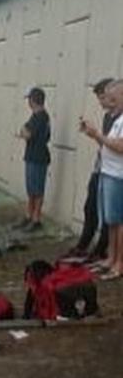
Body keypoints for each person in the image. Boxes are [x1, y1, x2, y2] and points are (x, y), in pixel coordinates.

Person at [67, 78, 117, 260]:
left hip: (112, 172)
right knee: (90, 208)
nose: (102, 103)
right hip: (101, 167)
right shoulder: (107, 117)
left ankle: (101, 250)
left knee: (108, 215)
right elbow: (104, 145)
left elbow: (116, 146)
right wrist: (93, 134)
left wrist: (97, 134)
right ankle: (84, 244)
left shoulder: (119, 118)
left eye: (103, 98)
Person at [82, 80, 123, 280]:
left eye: (114, 99)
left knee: (119, 222)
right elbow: (108, 145)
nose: (110, 102)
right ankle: (110, 257)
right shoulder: (115, 120)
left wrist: (98, 134)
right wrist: (94, 135)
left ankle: (119, 263)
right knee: (112, 221)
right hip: (108, 173)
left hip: (118, 176)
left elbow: (121, 146)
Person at [15, 87, 51, 231]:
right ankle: (29, 215)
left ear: (33, 100)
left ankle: (36, 219)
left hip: (38, 157)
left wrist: (23, 131)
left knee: (37, 189)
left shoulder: (40, 116)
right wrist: (24, 131)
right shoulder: (35, 116)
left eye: (29, 99)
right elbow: (24, 131)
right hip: (32, 155)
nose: (28, 103)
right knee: (31, 189)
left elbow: (27, 133)